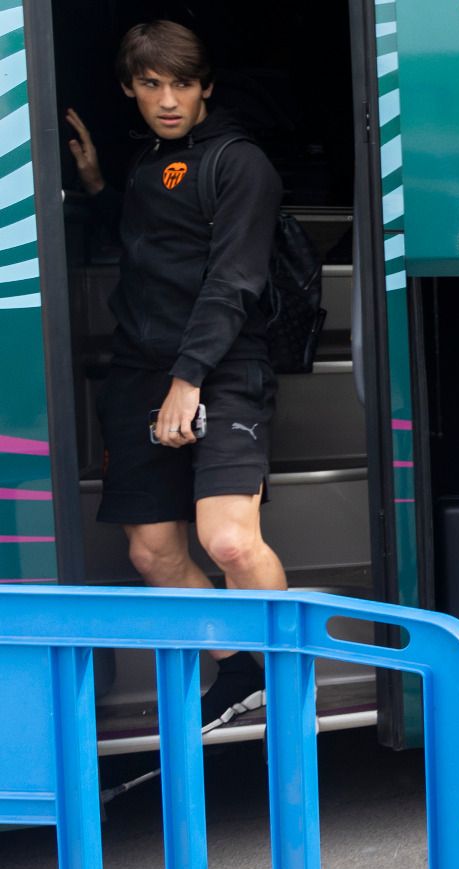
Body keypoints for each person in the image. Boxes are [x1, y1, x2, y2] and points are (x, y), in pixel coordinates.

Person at [66, 21, 284, 722]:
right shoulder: (141, 166)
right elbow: (141, 241)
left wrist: (187, 382)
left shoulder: (240, 162)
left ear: (206, 87)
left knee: (228, 542)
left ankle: (287, 689)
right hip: (139, 371)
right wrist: (98, 186)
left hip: (219, 368)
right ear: (130, 87)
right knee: (153, 557)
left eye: (182, 84)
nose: (168, 99)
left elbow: (234, 281)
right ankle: (238, 670)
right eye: (152, 84)